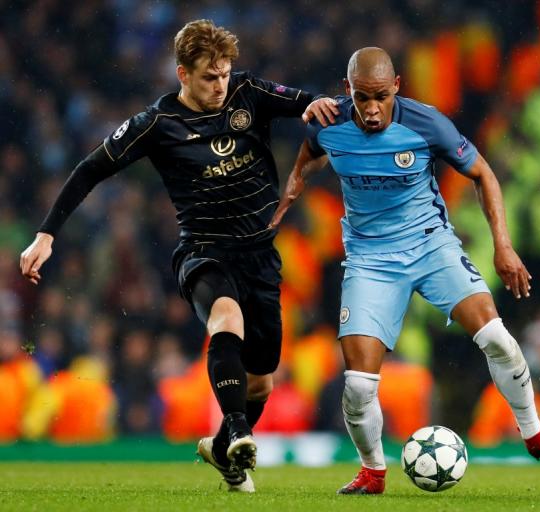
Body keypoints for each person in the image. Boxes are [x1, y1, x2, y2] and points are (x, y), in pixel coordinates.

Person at [20, 19, 338, 493]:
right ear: (182, 74)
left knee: (262, 383)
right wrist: (47, 234)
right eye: (209, 77)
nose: (220, 85)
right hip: (203, 253)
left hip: (260, 257)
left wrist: (317, 103)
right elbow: (91, 169)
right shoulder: (157, 123)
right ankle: (241, 431)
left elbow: (307, 103)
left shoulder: (248, 92)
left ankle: (225, 446)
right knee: (225, 318)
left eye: (225, 73)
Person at [270, 47, 540, 495]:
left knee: (497, 338)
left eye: (380, 96)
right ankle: (373, 472)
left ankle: (535, 435)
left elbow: (484, 174)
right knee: (359, 386)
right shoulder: (329, 122)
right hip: (369, 260)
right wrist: (295, 183)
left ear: (397, 86)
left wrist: (503, 246)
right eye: (362, 98)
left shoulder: (426, 124)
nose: (371, 108)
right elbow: (312, 151)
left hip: (430, 246)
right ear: (348, 91)